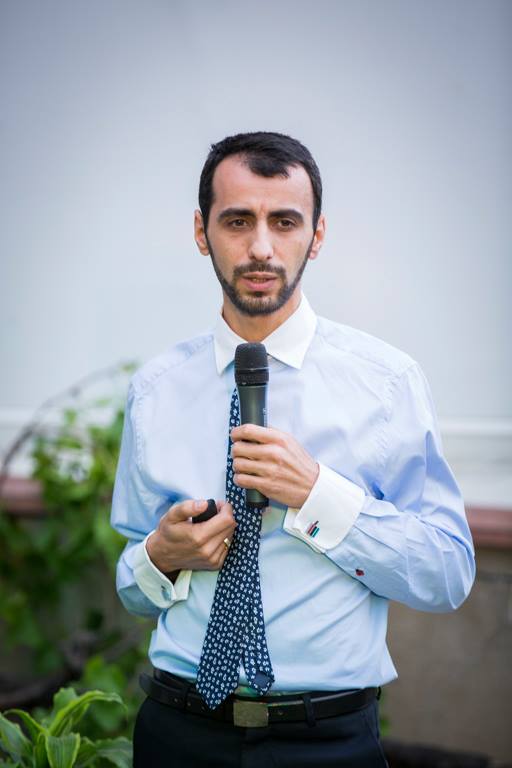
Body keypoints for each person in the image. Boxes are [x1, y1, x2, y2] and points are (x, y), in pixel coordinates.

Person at [111, 131, 475, 767]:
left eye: (284, 222)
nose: (261, 247)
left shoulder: (387, 384)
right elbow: (132, 587)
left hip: (326, 742)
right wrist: (160, 557)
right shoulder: (155, 391)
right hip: (178, 733)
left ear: (317, 234)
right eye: (237, 221)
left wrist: (318, 495)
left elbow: (447, 574)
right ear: (201, 232)